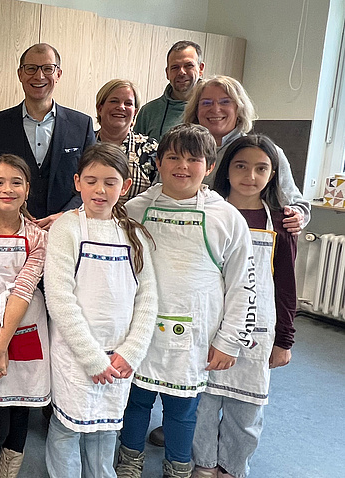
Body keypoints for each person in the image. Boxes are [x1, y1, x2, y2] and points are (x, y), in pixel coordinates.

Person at [117, 124, 256, 478]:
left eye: (194, 159)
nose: (183, 165)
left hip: (194, 333)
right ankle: (129, 459)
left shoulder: (226, 217)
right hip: (139, 328)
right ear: (159, 163)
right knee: (135, 403)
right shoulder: (135, 209)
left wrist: (229, 340)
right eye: (173, 157)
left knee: (183, 409)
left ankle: (178, 466)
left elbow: (243, 284)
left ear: (209, 166)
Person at [43, 144, 157, 478]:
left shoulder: (132, 233)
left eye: (110, 182)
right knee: (68, 428)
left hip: (120, 357)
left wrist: (132, 351)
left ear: (124, 187)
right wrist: (92, 357)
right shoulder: (68, 228)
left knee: (106, 430)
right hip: (76, 353)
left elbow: (148, 297)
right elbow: (60, 297)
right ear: (77, 182)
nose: (100, 189)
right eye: (91, 180)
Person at [192, 135, 297, 478]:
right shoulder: (208, 212)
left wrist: (285, 339)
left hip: (258, 330)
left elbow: (285, 285)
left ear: (273, 174)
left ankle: (232, 469)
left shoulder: (281, 222)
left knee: (246, 411)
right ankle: (204, 466)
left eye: (261, 168)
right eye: (241, 166)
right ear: (226, 170)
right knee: (202, 406)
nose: (250, 175)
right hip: (207, 327)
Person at [0, 154, 51, 478]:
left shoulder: (38, 237)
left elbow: (24, 288)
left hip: (26, 326)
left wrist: (0, 344)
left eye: (16, 182)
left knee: (20, 418)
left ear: (27, 190)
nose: (7, 189)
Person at [0, 43, 96, 229]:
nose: (39, 76)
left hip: (68, 227)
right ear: (20, 74)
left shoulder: (82, 125)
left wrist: (67, 215)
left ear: (58, 74)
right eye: (31, 68)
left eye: (47, 68)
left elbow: (92, 179)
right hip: (10, 230)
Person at [183, 75, 310, 234]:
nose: (215, 109)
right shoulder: (181, 151)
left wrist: (297, 217)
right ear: (196, 110)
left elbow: (298, 205)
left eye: (225, 102)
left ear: (239, 108)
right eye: (206, 103)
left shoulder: (267, 153)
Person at [94, 79, 159, 203]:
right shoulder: (84, 142)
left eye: (128, 103)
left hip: (133, 221)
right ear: (100, 108)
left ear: (135, 112)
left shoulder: (151, 149)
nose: (121, 107)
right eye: (114, 101)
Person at [134, 40, 205, 141]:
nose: (182, 72)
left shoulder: (210, 109)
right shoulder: (148, 112)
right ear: (167, 73)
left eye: (188, 65)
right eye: (175, 67)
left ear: (201, 68)